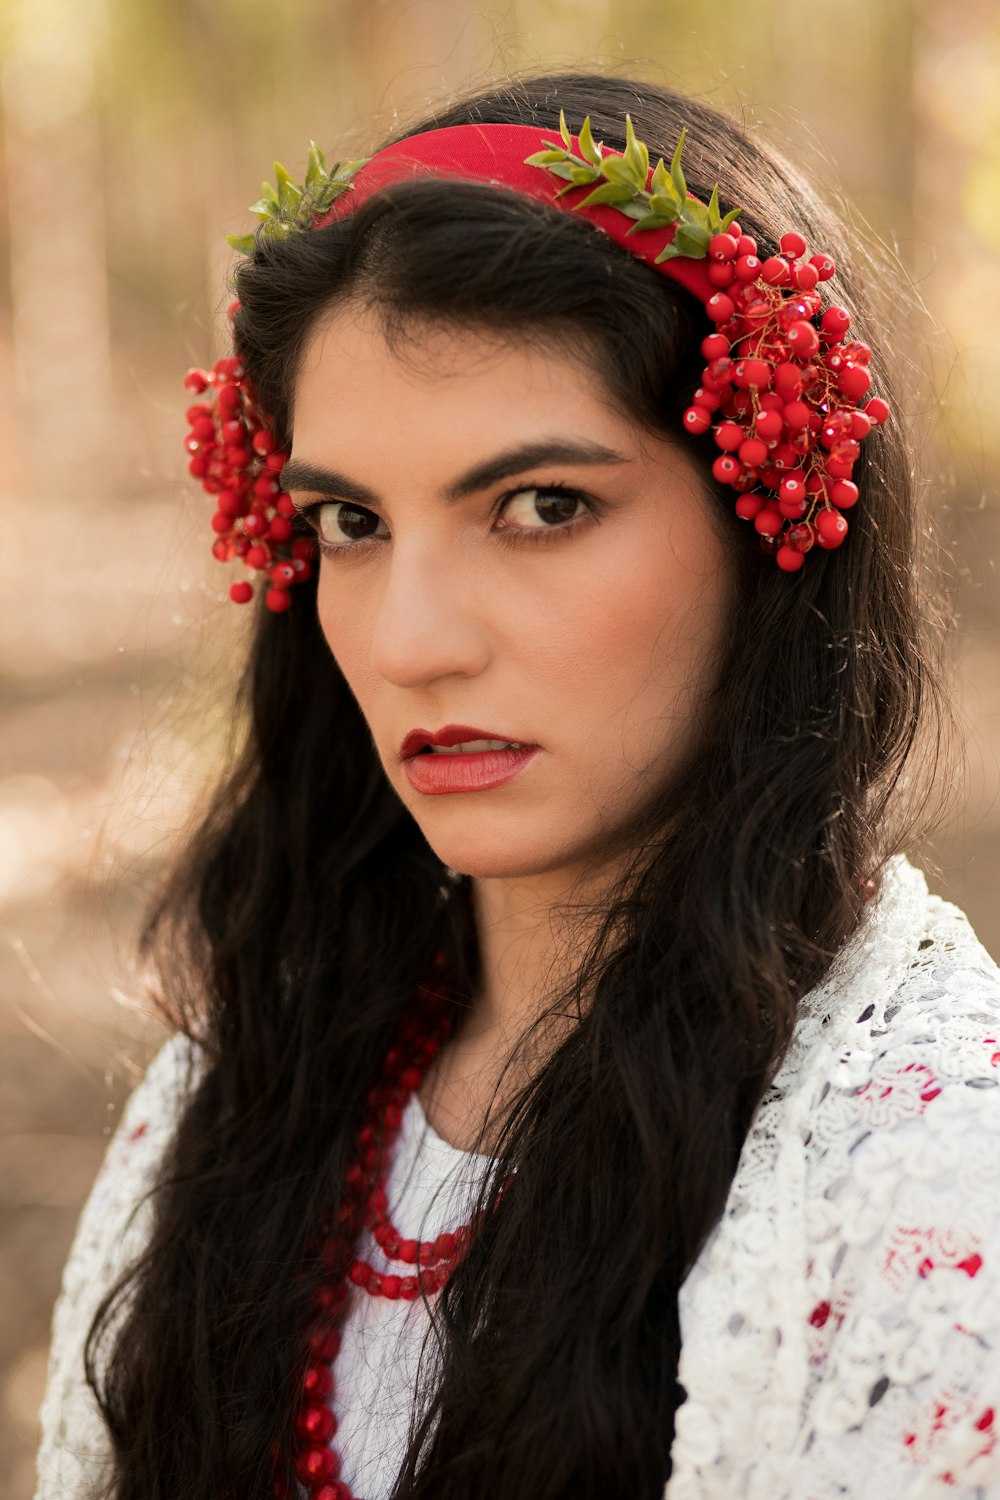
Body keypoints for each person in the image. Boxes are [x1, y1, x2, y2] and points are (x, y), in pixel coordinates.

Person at [34, 69, 1000, 1500]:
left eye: (542, 507)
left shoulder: (922, 1163)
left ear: (771, 513)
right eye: (352, 521)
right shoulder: (230, 1101)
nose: (415, 640)